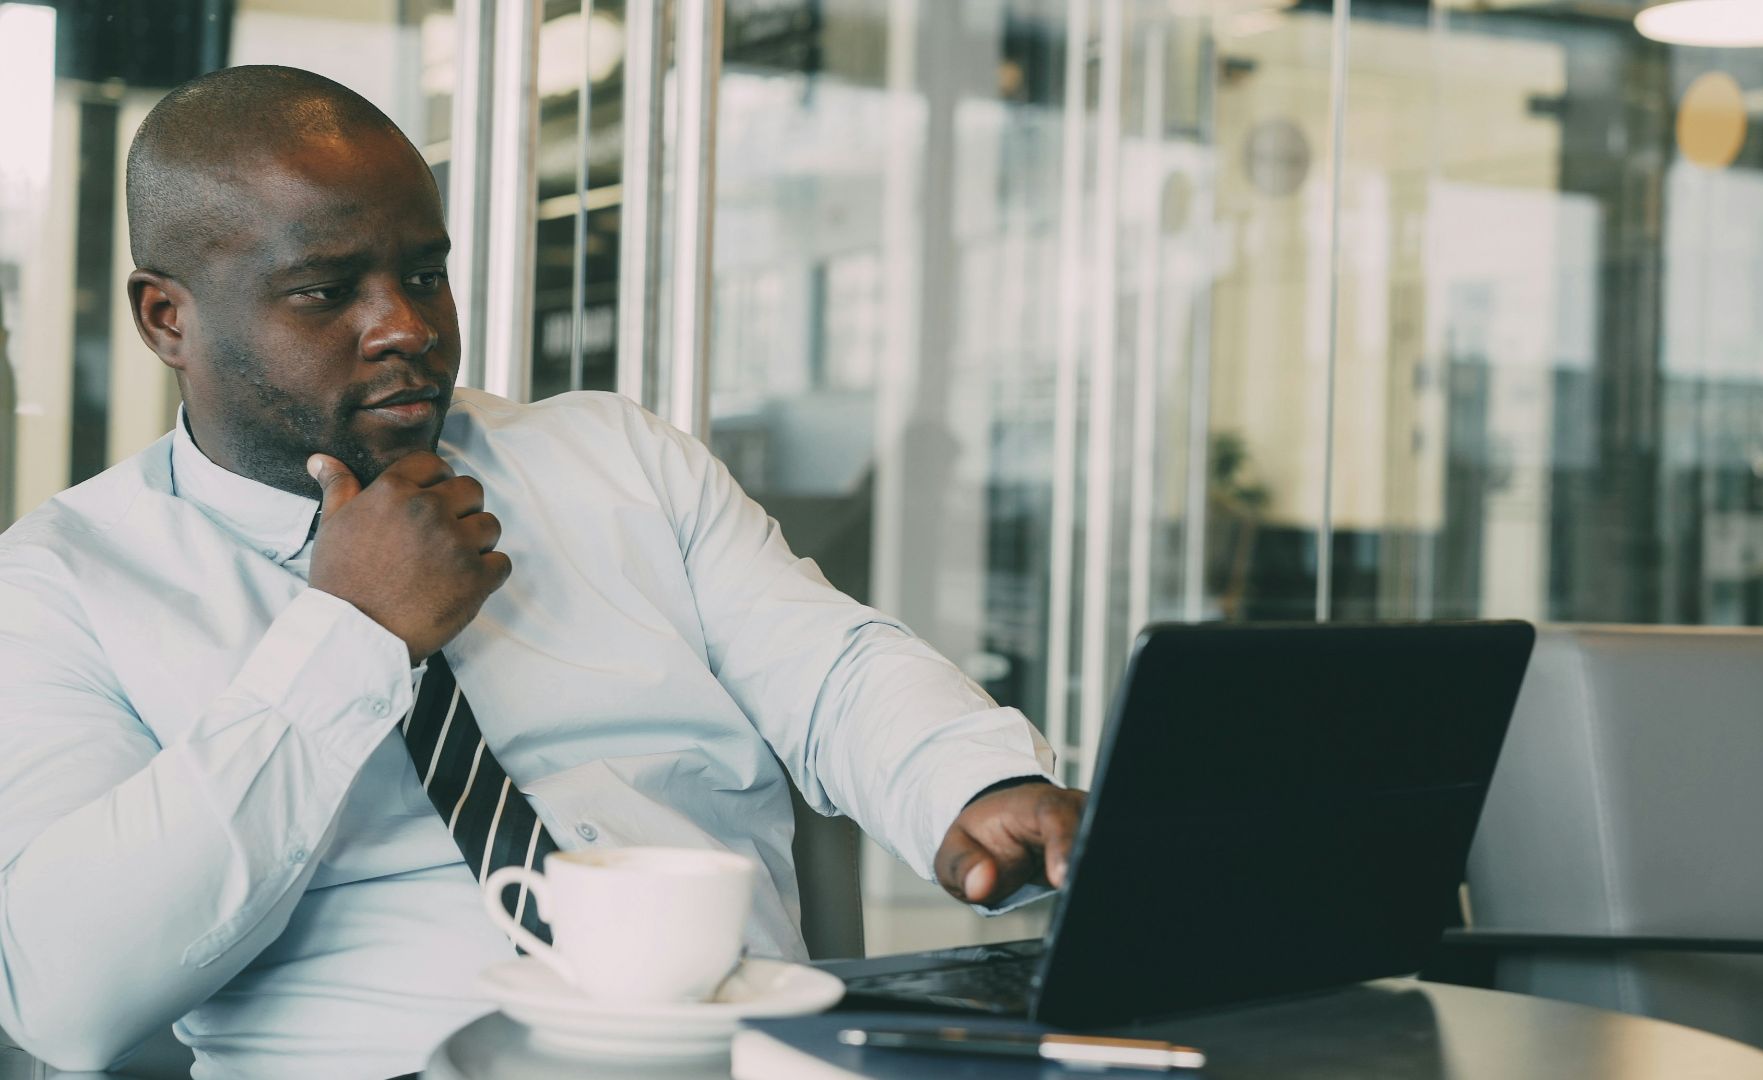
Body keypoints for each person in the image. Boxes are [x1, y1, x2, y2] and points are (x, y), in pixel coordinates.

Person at [0, 65, 1084, 1079]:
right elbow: (64, 994)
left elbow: (832, 667)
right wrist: (352, 637)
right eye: (327, 293)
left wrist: (972, 782)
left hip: (737, 1054)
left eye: (425, 274)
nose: (408, 328)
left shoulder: (618, 461)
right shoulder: (60, 585)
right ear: (167, 318)